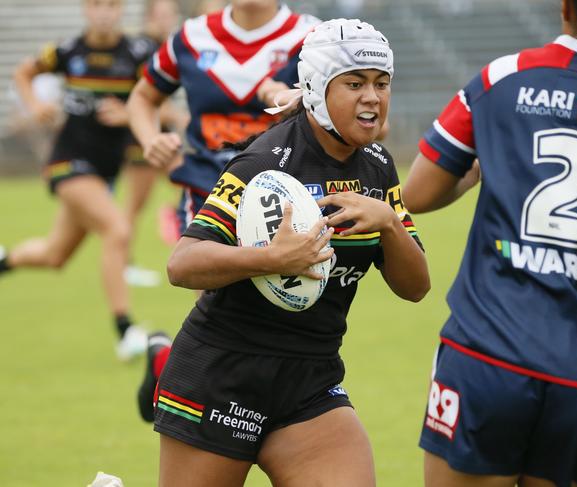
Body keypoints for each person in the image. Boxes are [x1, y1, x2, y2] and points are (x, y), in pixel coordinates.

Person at [143, 19, 429, 487]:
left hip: (311, 379)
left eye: (382, 83)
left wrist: (390, 224)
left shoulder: (378, 166)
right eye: (354, 83)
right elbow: (183, 264)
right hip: (222, 374)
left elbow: (416, 288)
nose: (373, 98)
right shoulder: (265, 160)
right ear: (316, 88)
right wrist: (272, 259)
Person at [402, 0, 577, 486]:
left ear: (565, 7)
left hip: (486, 355)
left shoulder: (502, 76)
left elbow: (417, 193)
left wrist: (479, 167)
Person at [0, 0, 156, 360]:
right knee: (118, 229)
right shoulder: (67, 50)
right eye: (97, 5)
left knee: (55, 255)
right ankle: (125, 331)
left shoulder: (137, 53)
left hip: (103, 171)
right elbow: (24, 73)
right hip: (67, 163)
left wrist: (128, 114)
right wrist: (34, 106)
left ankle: (4, 260)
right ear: (87, 9)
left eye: (111, 5)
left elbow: (155, 102)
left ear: (120, 11)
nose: (104, 12)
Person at [127, 0, 320, 239]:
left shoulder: (317, 38)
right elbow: (142, 97)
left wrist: (295, 99)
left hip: (289, 193)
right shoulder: (191, 36)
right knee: (193, 270)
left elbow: (366, 123)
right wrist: (150, 139)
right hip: (206, 190)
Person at [122, 0, 186, 287]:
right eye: (161, 15)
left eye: (170, 15)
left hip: (160, 135)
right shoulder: (145, 49)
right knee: (135, 204)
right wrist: (180, 117)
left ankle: (176, 225)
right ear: (149, 17)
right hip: (146, 138)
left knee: (186, 185)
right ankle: (125, 264)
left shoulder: (161, 46)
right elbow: (142, 96)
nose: (166, 20)